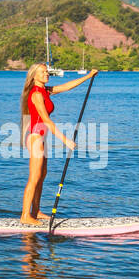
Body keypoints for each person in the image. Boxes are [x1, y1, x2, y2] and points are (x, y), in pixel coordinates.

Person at [19, 63, 97, 224]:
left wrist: (88, 76)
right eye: (43, 72)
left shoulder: (45, 91)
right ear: (34, 76)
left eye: (47, 72)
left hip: (41, 139)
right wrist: (65, 140)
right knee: (34, 178)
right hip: (35, 138)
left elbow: (66, 87)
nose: (46, 74)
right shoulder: (36, 94)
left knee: (41, 177)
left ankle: (36, 211)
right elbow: (46, 120)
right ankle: (25, 216)